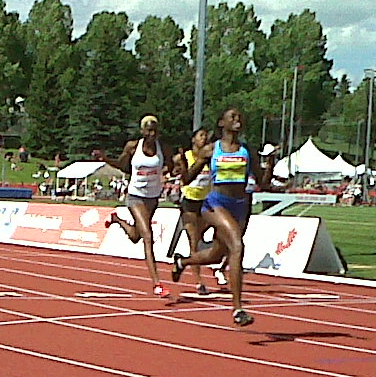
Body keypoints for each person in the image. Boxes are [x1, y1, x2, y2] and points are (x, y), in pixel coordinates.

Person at [172, 107, 272, 327]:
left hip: (241, 206)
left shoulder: (247, 150)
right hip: (215, 204)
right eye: (232, 117)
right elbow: (187, 179)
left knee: (217, 255)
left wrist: (270, 165)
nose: (237, 119)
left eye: (239, 116)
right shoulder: (211, 150)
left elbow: (263, 182)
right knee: (237, 246)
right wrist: (182, 165)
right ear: (221, 123)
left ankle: (183, 261)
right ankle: (238, 309)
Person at [93, 114, 174, 298]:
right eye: (148, 130)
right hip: (135, 196)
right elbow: (123, 166)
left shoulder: (164, 149)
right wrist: (105, 158)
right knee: (147, 235)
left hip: (152, 198)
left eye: (155, 130)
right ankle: (157, 284)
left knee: (135, 236)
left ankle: (116, 219)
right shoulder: (132, 147)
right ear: (142, 131)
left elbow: (171, 165)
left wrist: (170, 173)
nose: (152, 134)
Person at [168, 127, 223, 295]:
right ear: (193, 139)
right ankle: (199, 282)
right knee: (194, 243)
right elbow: (174, 172)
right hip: (190, 203)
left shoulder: (210, 157)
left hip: (206, 203)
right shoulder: (185, 156)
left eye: (206, 136)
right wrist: (179, 168)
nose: (204, 138)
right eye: (200, 136)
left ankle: (183, 262)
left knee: (219, 235)